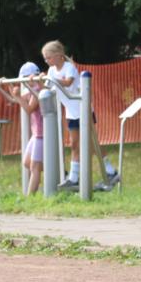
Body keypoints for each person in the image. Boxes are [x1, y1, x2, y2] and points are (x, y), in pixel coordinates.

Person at [41, 41, 119, 190]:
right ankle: (74, 178)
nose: (47, 61)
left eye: (48, 58)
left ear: (58, 56)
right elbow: (47, 86)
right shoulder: (51, 71)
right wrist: (38, 79)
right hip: (71, 113)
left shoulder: (69, 68)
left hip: (83, 110)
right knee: (75, 144)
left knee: (91, 143)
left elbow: (68, 82)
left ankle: (111, 171)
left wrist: (51, 79)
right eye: (45, 59)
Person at [0, 62, 44, 194]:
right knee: (27, 163)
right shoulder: (31, 90)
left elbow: (29, 109)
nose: (23, 84)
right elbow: (14, 100)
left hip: (42, 134)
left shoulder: (38, 91)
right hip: (36, 134)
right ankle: (51, 169)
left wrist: (18, 96)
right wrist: (8, 85)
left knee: (34, 167)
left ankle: (30, 198)